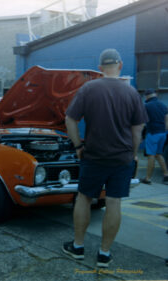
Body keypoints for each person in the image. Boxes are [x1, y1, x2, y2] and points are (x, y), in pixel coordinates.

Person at [63, 49, 148, 268]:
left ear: (100, 69)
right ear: (120, 65)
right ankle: (104, 254)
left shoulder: (88, 88)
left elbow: (70, 119)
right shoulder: (132, 94)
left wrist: (78, 146)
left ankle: (78, 247)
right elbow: (137, 130)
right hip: (121, 159)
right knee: (114, 203)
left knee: (84, 198)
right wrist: (132, 154)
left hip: (93, 156)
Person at [140, 88, 168, 185]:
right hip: (163, 134)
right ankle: (166, 175)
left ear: (147, 96)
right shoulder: (163, 105)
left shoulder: (146, 106)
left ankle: (148, 178)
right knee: (158, 154)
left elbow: (142, 123)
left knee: (151, 155)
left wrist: (141, 136)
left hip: (152, 134)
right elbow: (167, 120)